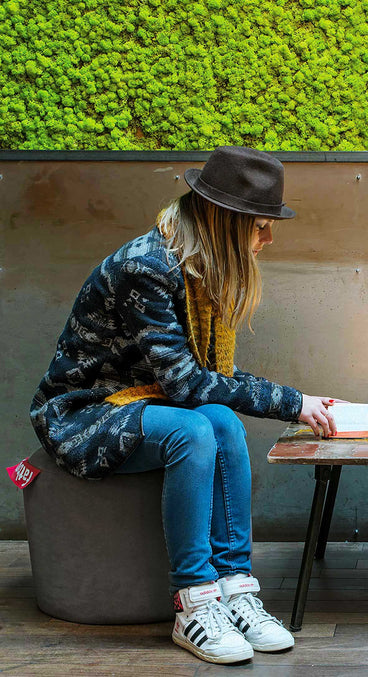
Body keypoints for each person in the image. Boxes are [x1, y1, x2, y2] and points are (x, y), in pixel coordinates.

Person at [30, 145, 340, 665]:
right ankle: (194, 603)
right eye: (261, 225)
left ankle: (237, 590)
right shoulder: (146, 267)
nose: (268, 238)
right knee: (193, 429)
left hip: (143, 403)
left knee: (220, 420)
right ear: (226, 221)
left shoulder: (195, 268)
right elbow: (186, 384)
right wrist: (294, 402)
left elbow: (207, 386)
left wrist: (298, 404)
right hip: (83, 413)